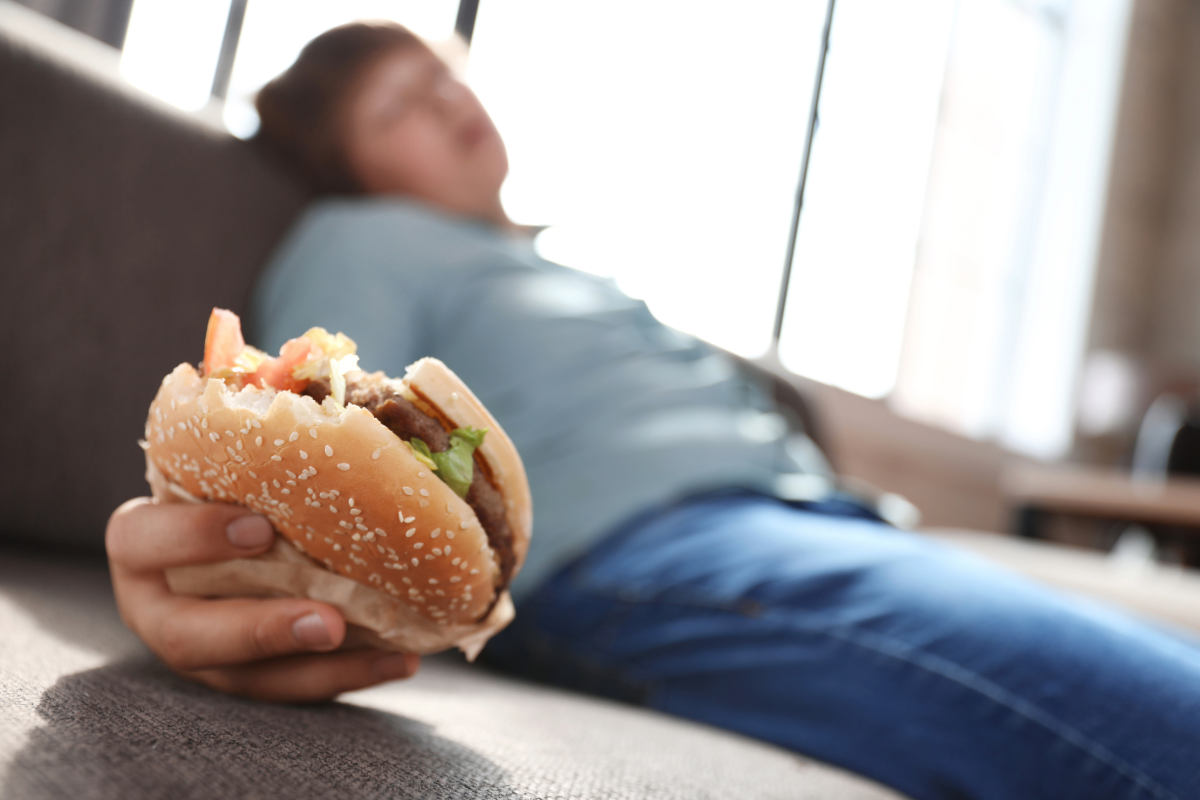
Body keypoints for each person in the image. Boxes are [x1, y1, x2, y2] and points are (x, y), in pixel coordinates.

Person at [105, 22, 1200, 800]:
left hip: (814, 521)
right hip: (646, 550)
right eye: (401, 106)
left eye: (448, 79)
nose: (450, 105)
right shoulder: (364, 236)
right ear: (346, 163)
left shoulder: (561, 270)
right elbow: (319, 439)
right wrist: (209, 564)